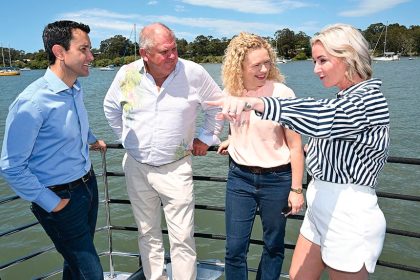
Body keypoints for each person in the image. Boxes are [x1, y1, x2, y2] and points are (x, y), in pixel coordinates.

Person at [208, 23, 389, 280]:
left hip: (348, 210)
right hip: (319, 202)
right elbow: (334, 135)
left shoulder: (369, 100)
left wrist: (255, 102)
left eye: (322, 60)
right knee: (297, 276)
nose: (315, 69)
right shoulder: (345, 96)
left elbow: (321, 117)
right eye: (315, 61)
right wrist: (237, 141)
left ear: (348, 56)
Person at [103, 22, 224, 280]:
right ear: (144, 53)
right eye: (164, 51)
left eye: (175, 48)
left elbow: (217, 106)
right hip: (136, 166)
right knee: (147, 233)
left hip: (176, 167)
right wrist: (126, 139)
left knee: (182, 236)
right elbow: (111, 108)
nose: (172, 56)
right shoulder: (128, 75)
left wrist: (206, 138)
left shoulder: (193, 73)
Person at [0, 20, 106, 279]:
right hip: (60, 199)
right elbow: (11, 167)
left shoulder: (74, 90)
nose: (91, 57)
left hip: (87, 187)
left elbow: (72, 124)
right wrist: (53, 203)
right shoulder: (32, 102)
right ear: (60, 52)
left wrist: (91, 138)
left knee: (75, 266)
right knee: (92, 274)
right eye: (84, 50)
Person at [217, 32, 304, 279]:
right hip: (239, 179)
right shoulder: (230, 92)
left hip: (277, 180)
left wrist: (297, 189)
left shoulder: (283, 94)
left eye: (267, 62)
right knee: (234, 249)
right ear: (239, 66)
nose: (264, 69)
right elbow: (245, 126)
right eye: (256, 65)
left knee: (274, 246)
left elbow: (296, 146)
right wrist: (233, 139)